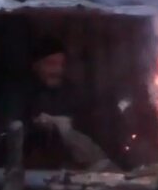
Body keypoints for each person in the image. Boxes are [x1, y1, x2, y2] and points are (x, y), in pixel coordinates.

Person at [17, 42, 115, 171]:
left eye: (61, 64)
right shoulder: (20, 94)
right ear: (36, 65)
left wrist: (67, 127)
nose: (57, 70)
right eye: (51, 64)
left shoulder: (72, 93)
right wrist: (35, 126)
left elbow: (89, 129)